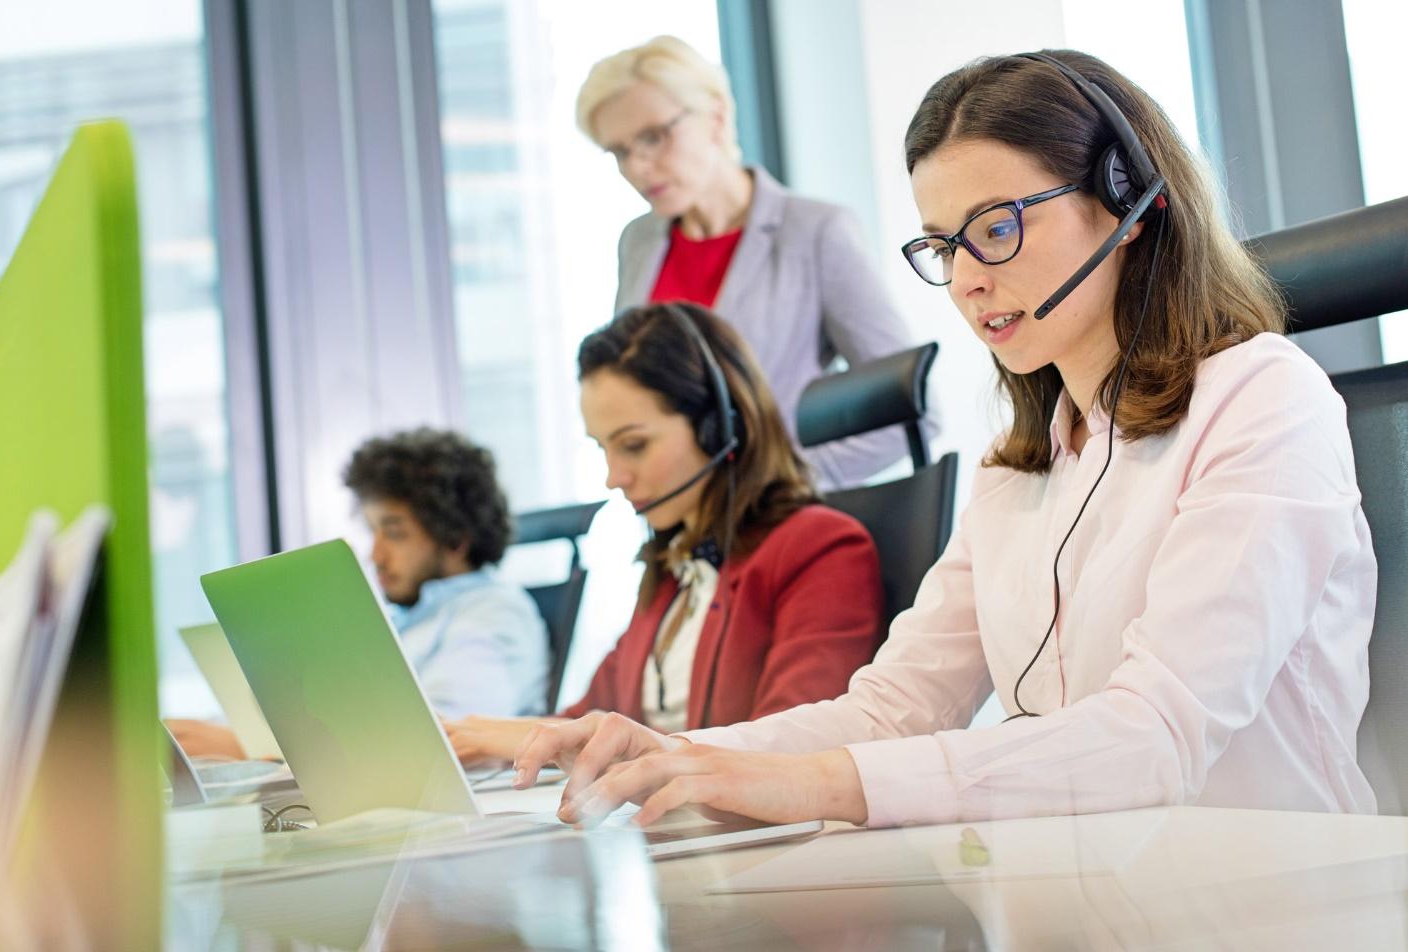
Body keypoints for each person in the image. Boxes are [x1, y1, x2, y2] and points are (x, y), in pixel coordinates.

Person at [508, 50, 1378, 831]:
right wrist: (685, 757)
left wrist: (815, 785)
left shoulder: (1260, 398)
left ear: (1126, 199)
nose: (964, 280)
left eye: (995, 228)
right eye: (941, 245)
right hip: (1084, 896)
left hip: (1267, 887)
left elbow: (1155, 734)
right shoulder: (1021, 465)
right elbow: (893, 710)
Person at [446, 302, 884, 764]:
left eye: (634, 445)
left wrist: (565, 744)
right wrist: (478, 737)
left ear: (719, 426)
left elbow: (790, 754)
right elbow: (588, 717)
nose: (613, 477)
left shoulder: (820, 549)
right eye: (603, 448)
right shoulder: (674, 571)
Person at [577, 35, 937, 489]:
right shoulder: (638, 242)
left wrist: (775, 482)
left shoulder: (815, 232)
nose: (639, 167)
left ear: (716, 117)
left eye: (653, 136)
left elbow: (913, 412)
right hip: (677, 530)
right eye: (621, 152)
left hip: (782, 526)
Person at [169, 428, 548, 759]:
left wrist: (245, 749)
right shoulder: (400, 618)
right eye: (373, 532)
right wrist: (214, 736)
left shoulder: (495, 615)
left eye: (395, 532)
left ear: (455, 539)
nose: (375, 554)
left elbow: (446, 742)